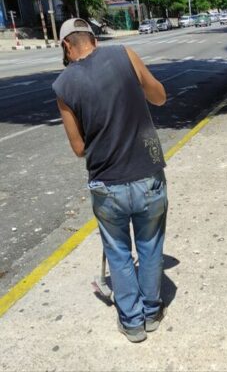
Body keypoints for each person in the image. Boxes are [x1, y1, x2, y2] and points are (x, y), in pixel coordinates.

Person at [52, 18, 168, 343]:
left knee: (118, 252)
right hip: (147, 173)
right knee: (150, 246)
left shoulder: (63, 86)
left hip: (107, 184)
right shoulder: (125, 54)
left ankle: (131, 323)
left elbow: (78, 148)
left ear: (66, 45)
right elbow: (159, 96)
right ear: (93, 39)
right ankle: (151, 313)